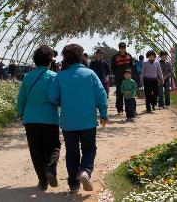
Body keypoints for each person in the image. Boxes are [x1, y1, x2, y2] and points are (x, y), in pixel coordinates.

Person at [48, 44, 108, 194]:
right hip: (87, 120)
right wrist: (104, 114)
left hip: (68, 122)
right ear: (81, 56)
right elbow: (101, 94)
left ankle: (74, 185)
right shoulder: (90, 74)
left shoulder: (60, 76)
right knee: (89, 148)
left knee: (72, 152)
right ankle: (85, 171)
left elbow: (52, 97)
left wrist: (63, 100)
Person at [17, 45, 61, 191]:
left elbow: (21, 98)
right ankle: (50, 169)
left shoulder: (28, 76)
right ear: (50, 61)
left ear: (35, 61)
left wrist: (20, 113)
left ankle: (42, 181)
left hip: (30, 118)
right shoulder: (54, 77)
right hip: (49, 117)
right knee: (53, 146)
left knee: (36, 150)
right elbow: (57, 98)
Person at [111, 42, 133, 114]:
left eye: (124, 48)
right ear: (119, 48)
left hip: (128, 80)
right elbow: (113, 68)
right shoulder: (115, 57)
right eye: (121, 48)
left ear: (125, 48)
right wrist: (117, 74)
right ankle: (120, 109)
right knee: (119, 95)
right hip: (119, 79)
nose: (123, 50)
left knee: (128, 95)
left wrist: (131, 76)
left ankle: (129, 110)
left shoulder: (129, 56)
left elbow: (132, 67)